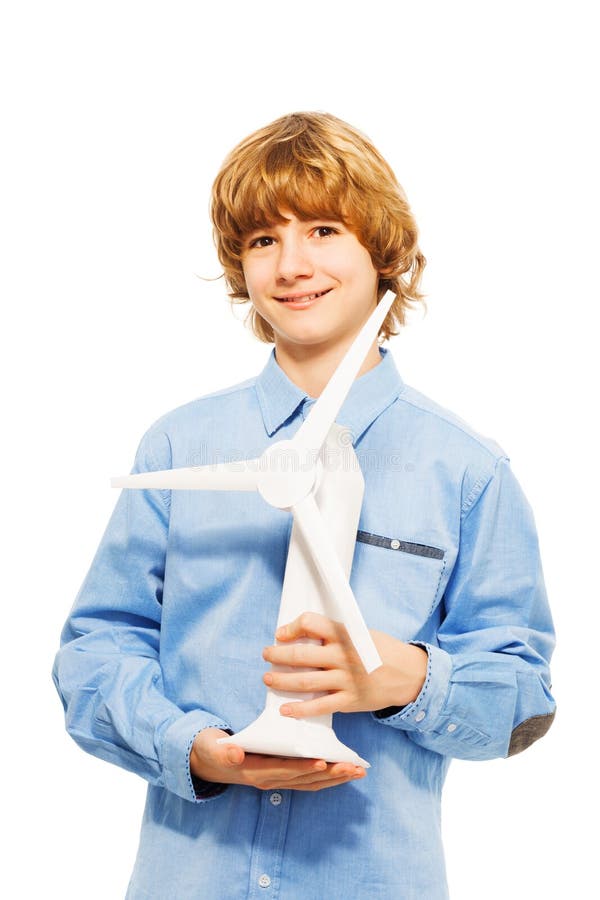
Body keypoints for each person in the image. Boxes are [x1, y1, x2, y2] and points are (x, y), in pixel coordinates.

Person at [53, 112, 556, 899]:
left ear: (381, 251)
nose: (292, 265)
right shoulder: (178, 450)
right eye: (262, 240)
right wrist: (194, 750)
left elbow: (523, 701)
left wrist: (407, 679)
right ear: (240, 267)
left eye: (322, 229)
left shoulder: (466, 471)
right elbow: (93, 652)